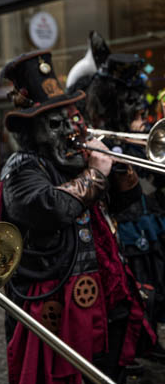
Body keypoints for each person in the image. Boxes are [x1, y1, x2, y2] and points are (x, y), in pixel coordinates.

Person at [0, 51, 154, 384]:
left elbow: (130, 209)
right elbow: (50, 207)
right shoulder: (22, 168)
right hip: (49, 302)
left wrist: (121, 172)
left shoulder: (81, 158)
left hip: (106, 295)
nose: (70, 127)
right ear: (32, 129)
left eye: (73, 116)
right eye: (56, 122)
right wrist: (97, 173)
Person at [69, 36, 165, 361]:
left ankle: (147, 337)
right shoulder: (100, 116)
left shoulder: (130, 115)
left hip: (145, 210)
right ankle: (134, 344)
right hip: (121, 220)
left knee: (154, 274)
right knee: (134, 279)